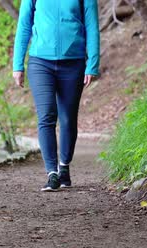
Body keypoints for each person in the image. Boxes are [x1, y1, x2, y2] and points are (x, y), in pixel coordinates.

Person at [13, 0, 100, 191]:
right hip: (40, 62)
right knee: (46, 115)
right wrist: (17, 64)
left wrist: (92, 63)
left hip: (73, 63)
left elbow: (92, 27)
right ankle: (52, 173)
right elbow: (24, 25)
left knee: (68, 119)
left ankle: (64, 166)